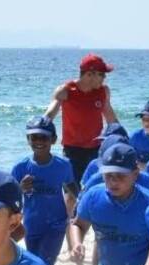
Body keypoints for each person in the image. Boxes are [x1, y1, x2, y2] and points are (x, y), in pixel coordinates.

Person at [11, 116, 78, 265]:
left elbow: (72, 190)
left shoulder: (63, 165)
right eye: (34, 137)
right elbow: (10, 197)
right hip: (32, 224)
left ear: (53, 139)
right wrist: (20, 188)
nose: (39, 141)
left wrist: (78, 213)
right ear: (28, 139)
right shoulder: (20, 167)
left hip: (56, 224)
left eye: (43, 137)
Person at [43, 53, 118, 182]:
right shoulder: (65, 91)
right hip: (72, 151)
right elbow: (49, 115)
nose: (104, 78)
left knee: (95, 188)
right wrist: (40, 130)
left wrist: (123, 139)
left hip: (96, 149)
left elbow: (111, 119)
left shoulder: (103, 91)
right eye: (102, 74)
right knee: (72, 192)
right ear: (89, 74)